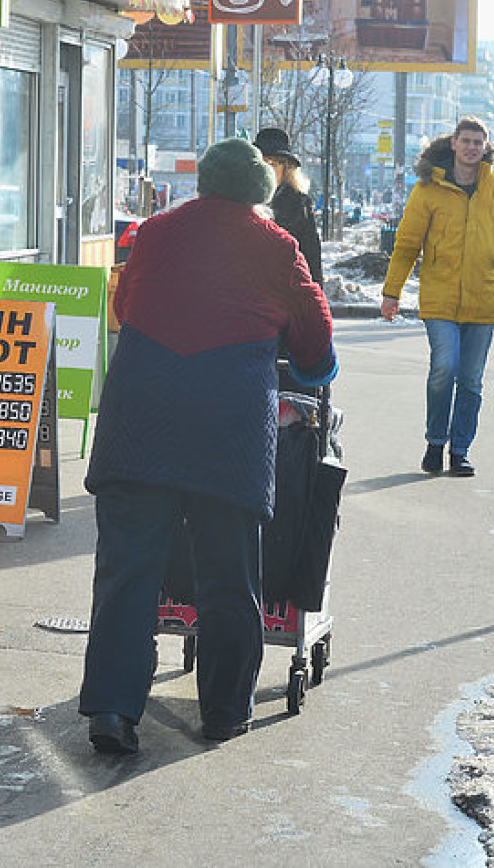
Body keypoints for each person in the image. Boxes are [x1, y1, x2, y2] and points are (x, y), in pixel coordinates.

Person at [79, 138, 337, 754]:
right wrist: (313, 366)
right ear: (262, 192)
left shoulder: (157, 232)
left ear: (204, 182)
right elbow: (314, 339)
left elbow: (126, 304)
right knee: (230, 573)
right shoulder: (277, 247)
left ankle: (113, 712)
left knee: (128, 571)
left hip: (139, 418)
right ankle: (224, 710)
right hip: (227, 431)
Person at [380, 117, 494, 478]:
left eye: (478, 142)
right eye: (466, 141)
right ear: (453, 144)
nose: (471, 148)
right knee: (444, 368)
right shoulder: (429, 189)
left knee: (472, 379)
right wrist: (391, 292)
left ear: (486, 147)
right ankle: (435, 443)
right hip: (440, 297)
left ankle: (460, 451)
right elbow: (406, 245)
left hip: (484, 298)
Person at [253, 127, 323, 283]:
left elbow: (311, 257)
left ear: (286, 169)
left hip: (285, 289)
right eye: (262, 163)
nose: (267, 171)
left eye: (273, 164)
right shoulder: (242, 201)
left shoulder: (298, 204)